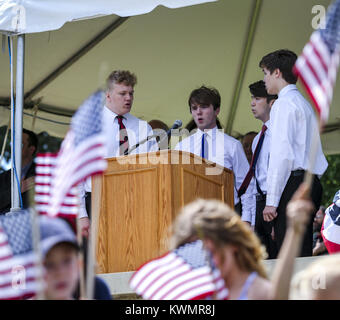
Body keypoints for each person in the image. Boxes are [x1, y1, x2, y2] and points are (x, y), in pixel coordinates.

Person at [259, 49, 328, 256]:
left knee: (289, 251)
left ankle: (292, 289)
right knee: (302, 248)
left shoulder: (283, 104)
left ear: (277, 72)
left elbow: (282, 155)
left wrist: (271, 201)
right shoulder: (304, 104)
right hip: (311, 182)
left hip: (293, 183)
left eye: (265, 73)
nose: (264, 79)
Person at [78, 70, 158, 236]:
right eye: (122, 93)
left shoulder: (143, 128)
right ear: (108, 95)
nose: (128, 98)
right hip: (98, 201)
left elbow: (155, 169)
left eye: (131, 93)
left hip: (137, 202)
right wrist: (81, 215)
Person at [174, 86, 255, 226]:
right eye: (194, 108)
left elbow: (247, 184)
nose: (198, 112)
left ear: (217, 110)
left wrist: (247, 219)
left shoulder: (232, 145)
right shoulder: (182, 147)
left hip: (225, 216)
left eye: (204, 107)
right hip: (192, 218)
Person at [171, 198, 271, 300]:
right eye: (193, 255)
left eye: (210, 252)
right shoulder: (193, 291)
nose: (205, 262)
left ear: (233, 243)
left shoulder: (260, 291)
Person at [39, 215, 112, 300]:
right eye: (49, 264)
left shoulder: (97, 287)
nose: (60, 272)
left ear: (79, 264)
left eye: (67, 261)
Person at [246, 80, 278, 259]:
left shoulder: (279, 132)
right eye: (252, 98)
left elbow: (277, 172)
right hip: (259, 205)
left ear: (271, 102)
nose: (252, 103)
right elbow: (255, 178)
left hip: (273, 203)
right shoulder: (258, 138)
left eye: (257, 98)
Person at [0, 128, 38, 214]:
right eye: (13, 143)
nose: (14, 147)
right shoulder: (3, 177)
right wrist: (16, 191)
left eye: (20, 144)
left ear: (31, 149)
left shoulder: (42, 174)